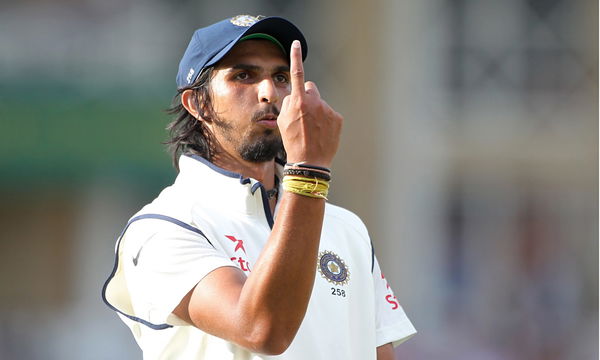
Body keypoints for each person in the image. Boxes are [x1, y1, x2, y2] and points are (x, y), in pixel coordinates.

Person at [102, 14, 416, 360]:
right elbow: (263, 330)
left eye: (281, 77)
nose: (269, 92)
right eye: (244, 76)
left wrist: (307, 177)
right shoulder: (161, 228)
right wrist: (309, 171)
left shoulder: (346, 228)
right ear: (197, 104)